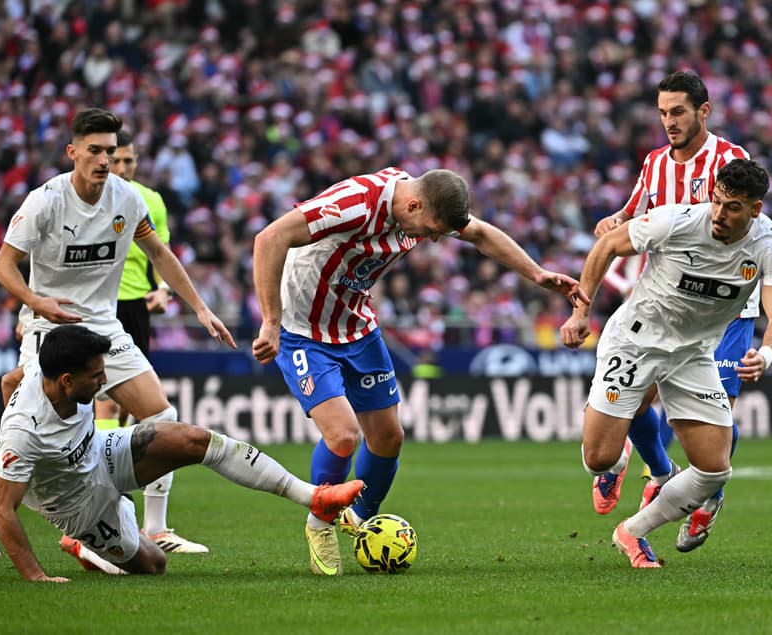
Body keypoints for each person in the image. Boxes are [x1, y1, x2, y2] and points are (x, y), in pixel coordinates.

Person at [252, 167, 589, 575]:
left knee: (389, 437)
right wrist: (270, 321)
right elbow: (270, 238)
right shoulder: (353, 205)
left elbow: (480, 234)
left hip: (357, 327)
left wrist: (536, 274)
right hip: (304, 331)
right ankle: (320, 522)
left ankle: (359, 518)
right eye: (430, 229)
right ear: (413, 205)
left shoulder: (424, 203)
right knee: (342, 435)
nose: (432, 239)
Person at [0, 108, 233, 557]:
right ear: (73, 152)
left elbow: (160, 255)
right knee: (20, 427)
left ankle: (156, 527)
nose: (105, 159)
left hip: (105, 326)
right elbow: (2, 265)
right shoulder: (44, 201)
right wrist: (36, 302)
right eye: (95, 151)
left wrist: (200, 308)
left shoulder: (127, 199)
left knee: (163, 419)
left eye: (111, 151)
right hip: (51, 329)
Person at [0, 324, 364, 581]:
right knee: (155, 565)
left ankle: (314, 497)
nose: (104, 381)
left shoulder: (38, 373)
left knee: (194, 439)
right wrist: (36, 576)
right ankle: (84, 544)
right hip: (78, 504)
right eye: (96, 376)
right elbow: (2, 511)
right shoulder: (25, 431)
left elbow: (9, 380)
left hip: (100, 452)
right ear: (67, 381)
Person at [562, 158, 772, 567]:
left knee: (714, 469)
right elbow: (607, 245)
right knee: (599, 457)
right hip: (634, 342)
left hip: (693, 354)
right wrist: (582, 313)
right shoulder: (676, 221)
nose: (720, 214)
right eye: (717, 201)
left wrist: (768, 352)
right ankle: (614, 444)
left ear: (755, 209)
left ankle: (632, 532)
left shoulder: (771, 244)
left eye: (733, 207)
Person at [591, 71, 753, 551]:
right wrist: (616, 220)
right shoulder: (655, 163)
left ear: (704, 111)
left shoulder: (730, 160)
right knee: (636, 402)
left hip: (724, 310)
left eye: (678, 111)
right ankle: (661, 472)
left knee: (718, 412)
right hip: (662, 307)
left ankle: (708, 496)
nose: (669, 122)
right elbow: (635, 210)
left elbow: (745, 224)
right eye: (662, 113)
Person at [88, 130, 206, 553]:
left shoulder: (147, 200)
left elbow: (162, 253)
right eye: (115, 160)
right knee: (108, 404)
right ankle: (104, 517)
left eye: (128, 161)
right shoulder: (88, 195)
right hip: (97, 308)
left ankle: (151, 526)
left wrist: (164, 291)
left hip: (136, 306)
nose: (121, 168)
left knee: (145, 413)